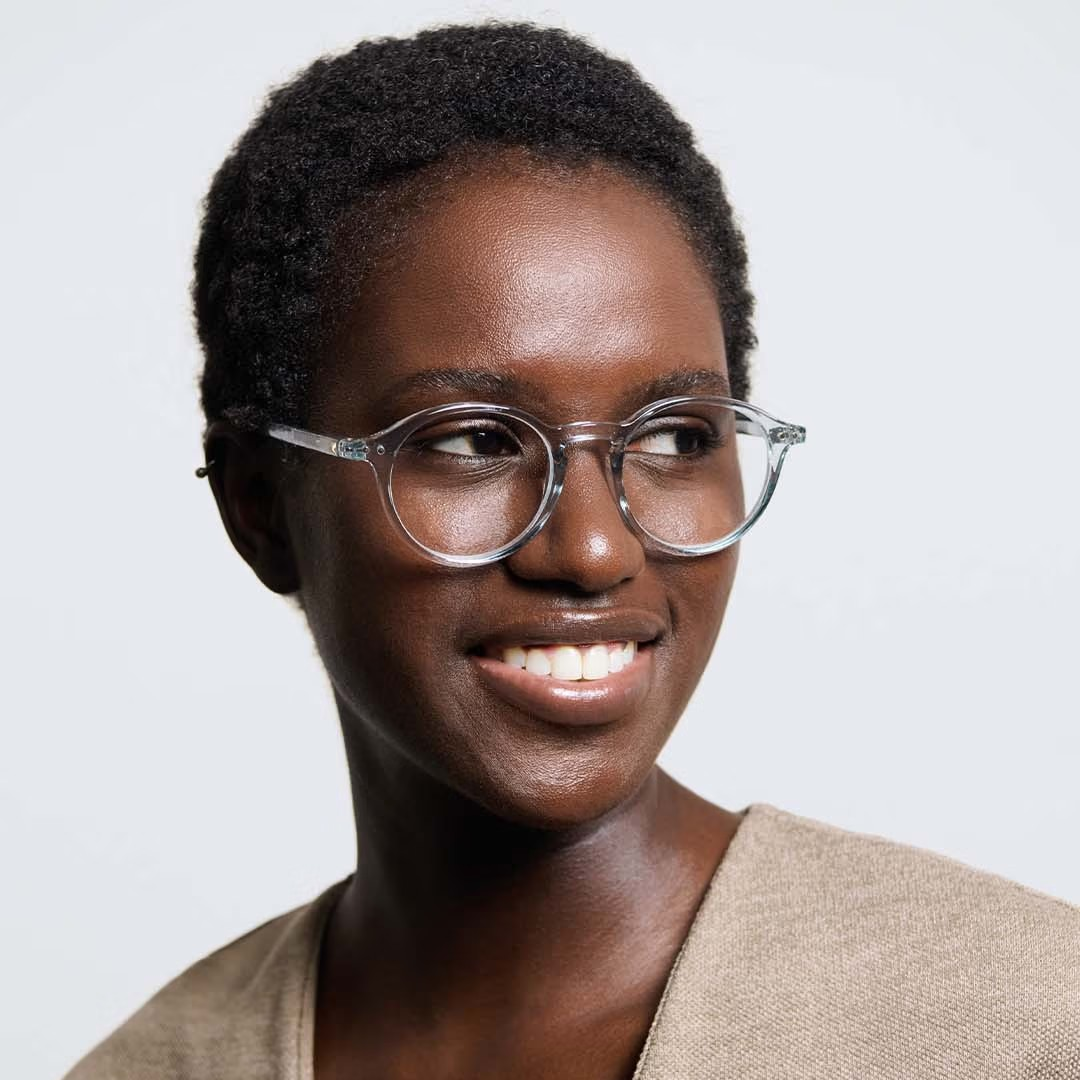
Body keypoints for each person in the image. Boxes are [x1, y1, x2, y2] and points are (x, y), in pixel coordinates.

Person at [64, 21, 1079, 1080]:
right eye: (470, 441)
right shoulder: (157, 1065)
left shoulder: (1020, 1024)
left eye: (676, 438)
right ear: (260, 507)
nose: (593, 548)